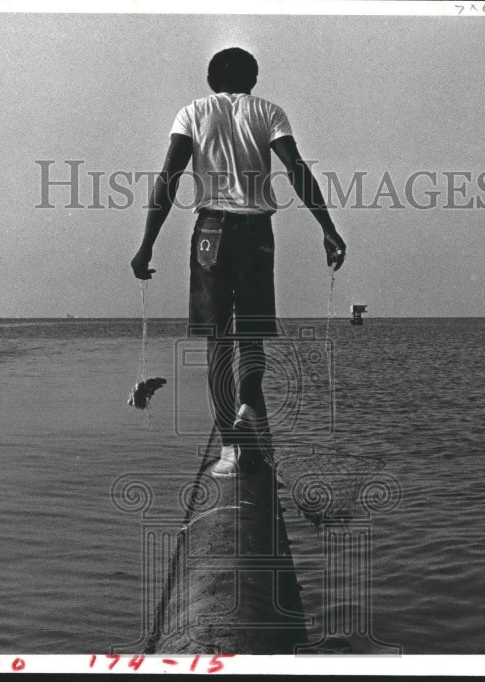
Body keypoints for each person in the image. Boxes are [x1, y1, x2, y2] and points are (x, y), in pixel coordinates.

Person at [131, 47, 346, 477]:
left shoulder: (192, 112)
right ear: (254, 79)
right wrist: (328, 226)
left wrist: (146, 244)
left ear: (212, 80)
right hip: (257, 234)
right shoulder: (268, 112)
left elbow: (168, 178)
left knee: (216, 343)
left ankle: (230, 451)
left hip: (212, 231)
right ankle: (250, 403)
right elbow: (296, 169)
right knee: (252, 335)